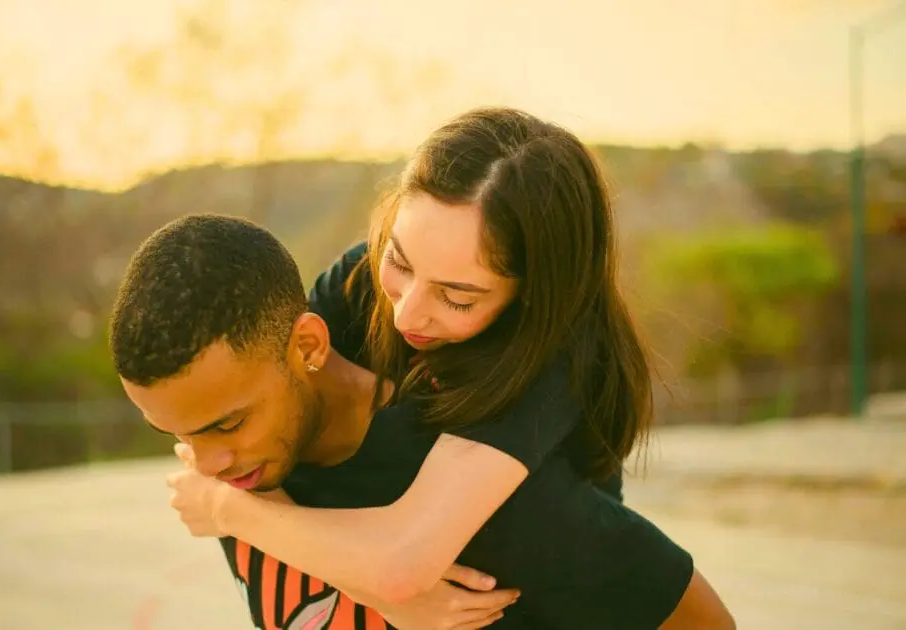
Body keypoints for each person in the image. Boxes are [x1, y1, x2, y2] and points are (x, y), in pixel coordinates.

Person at [110, 108, 736, 628]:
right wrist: (375, 591)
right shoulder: (354, 297)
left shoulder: (548, 378)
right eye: (400, 261)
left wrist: (225, 511)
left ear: (533, 294)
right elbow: (255, 382)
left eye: (458, 297)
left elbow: (404, 563)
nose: (406, 311)